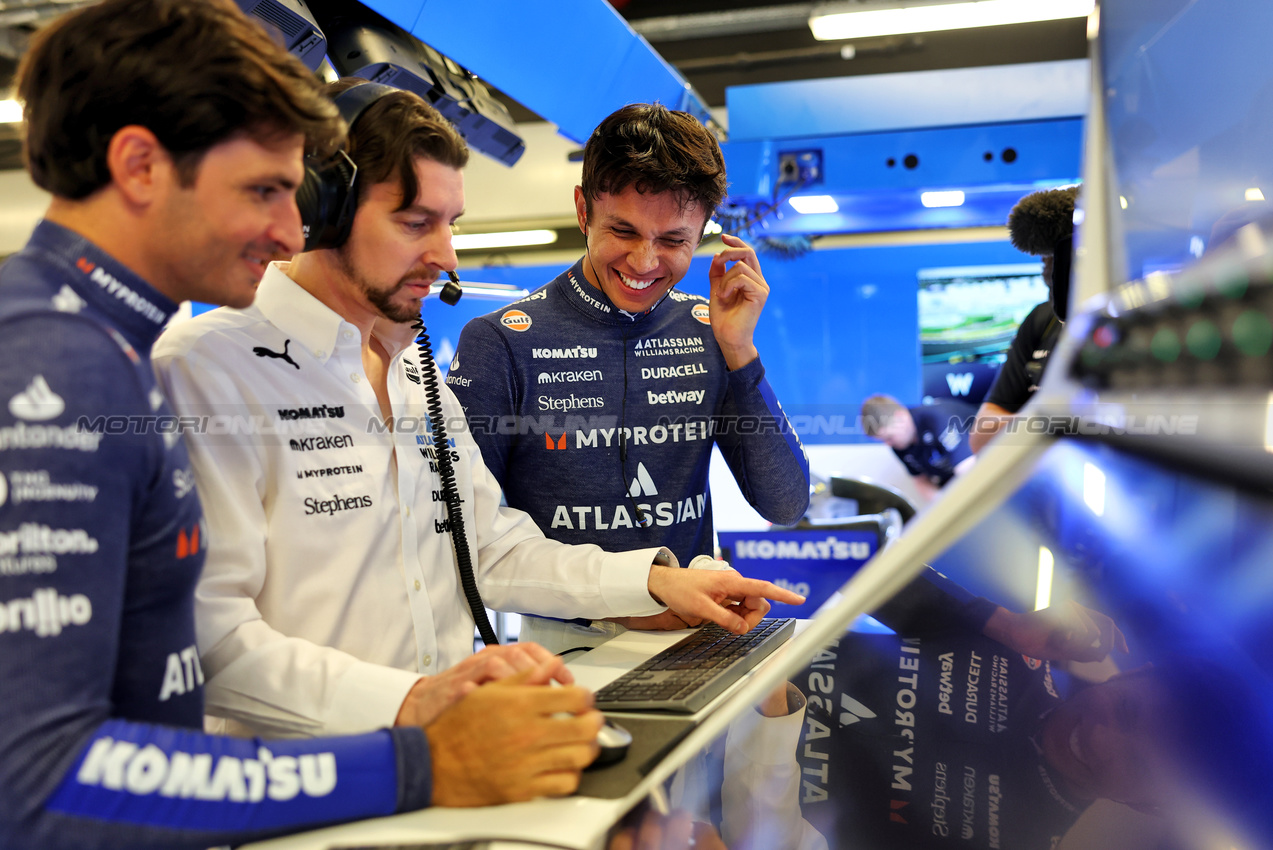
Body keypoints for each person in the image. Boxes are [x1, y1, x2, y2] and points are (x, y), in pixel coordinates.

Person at [0, 1, 541, 846]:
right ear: (140, 165)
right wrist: (418, 763)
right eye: (263, 191)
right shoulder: (54, 361)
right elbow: (37, 781)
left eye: (299, 197)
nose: (292, 233)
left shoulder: (103, 346)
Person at [151, 80, 803, 749]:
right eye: (415, 223)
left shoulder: (410, 368)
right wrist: (414, 700)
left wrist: (651, 582)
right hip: (301, 783)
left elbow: (488, 546)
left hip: (441, 764)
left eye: (450, 225)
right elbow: (207, 640)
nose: (446, 258)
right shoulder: (208, 369)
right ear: (324, 210)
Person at [448, 103, 811, 650]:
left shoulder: (710, 331)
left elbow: (785, 504)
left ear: (705, 231)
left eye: (674, 241)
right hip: (564, 652)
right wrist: (631, 603)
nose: (644, 262)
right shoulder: (500, 341)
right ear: (582, 210)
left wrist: (740, 353)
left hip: (695, 641)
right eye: (623, 230)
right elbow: (467, 542)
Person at [970, 186, 1078, 453]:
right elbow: (981, 435)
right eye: (1045, 258)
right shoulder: (1041, 319)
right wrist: (1052, 423)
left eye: (1053, 256)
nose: (1045, 265)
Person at [860, 394, 976, 499]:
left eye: (889, 437)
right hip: (953, 481)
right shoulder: (899, 445)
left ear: (900, 417)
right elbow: (920, 480)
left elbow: (968, 469)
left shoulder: (936, 418)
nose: (888, 444)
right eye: (883, 441)